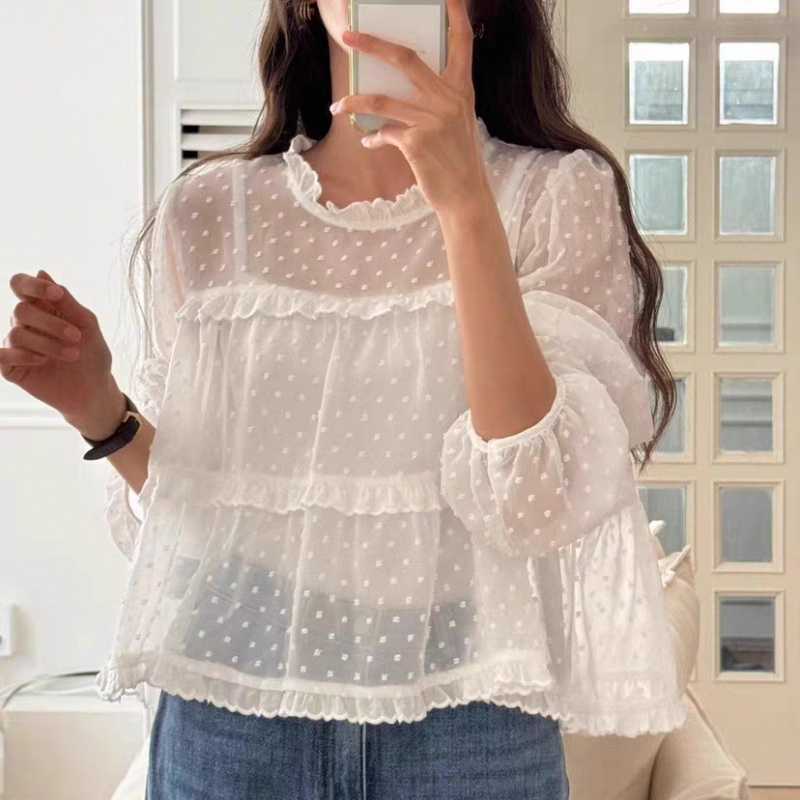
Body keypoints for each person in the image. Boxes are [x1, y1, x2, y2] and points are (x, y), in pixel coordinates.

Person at [2, 0, 689, 797]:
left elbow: (532, 501)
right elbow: (195, 520)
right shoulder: (211, 211)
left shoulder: (556, 195)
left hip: (469, 709)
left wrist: (465, 205)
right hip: (231, 701)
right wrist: (98, 408)